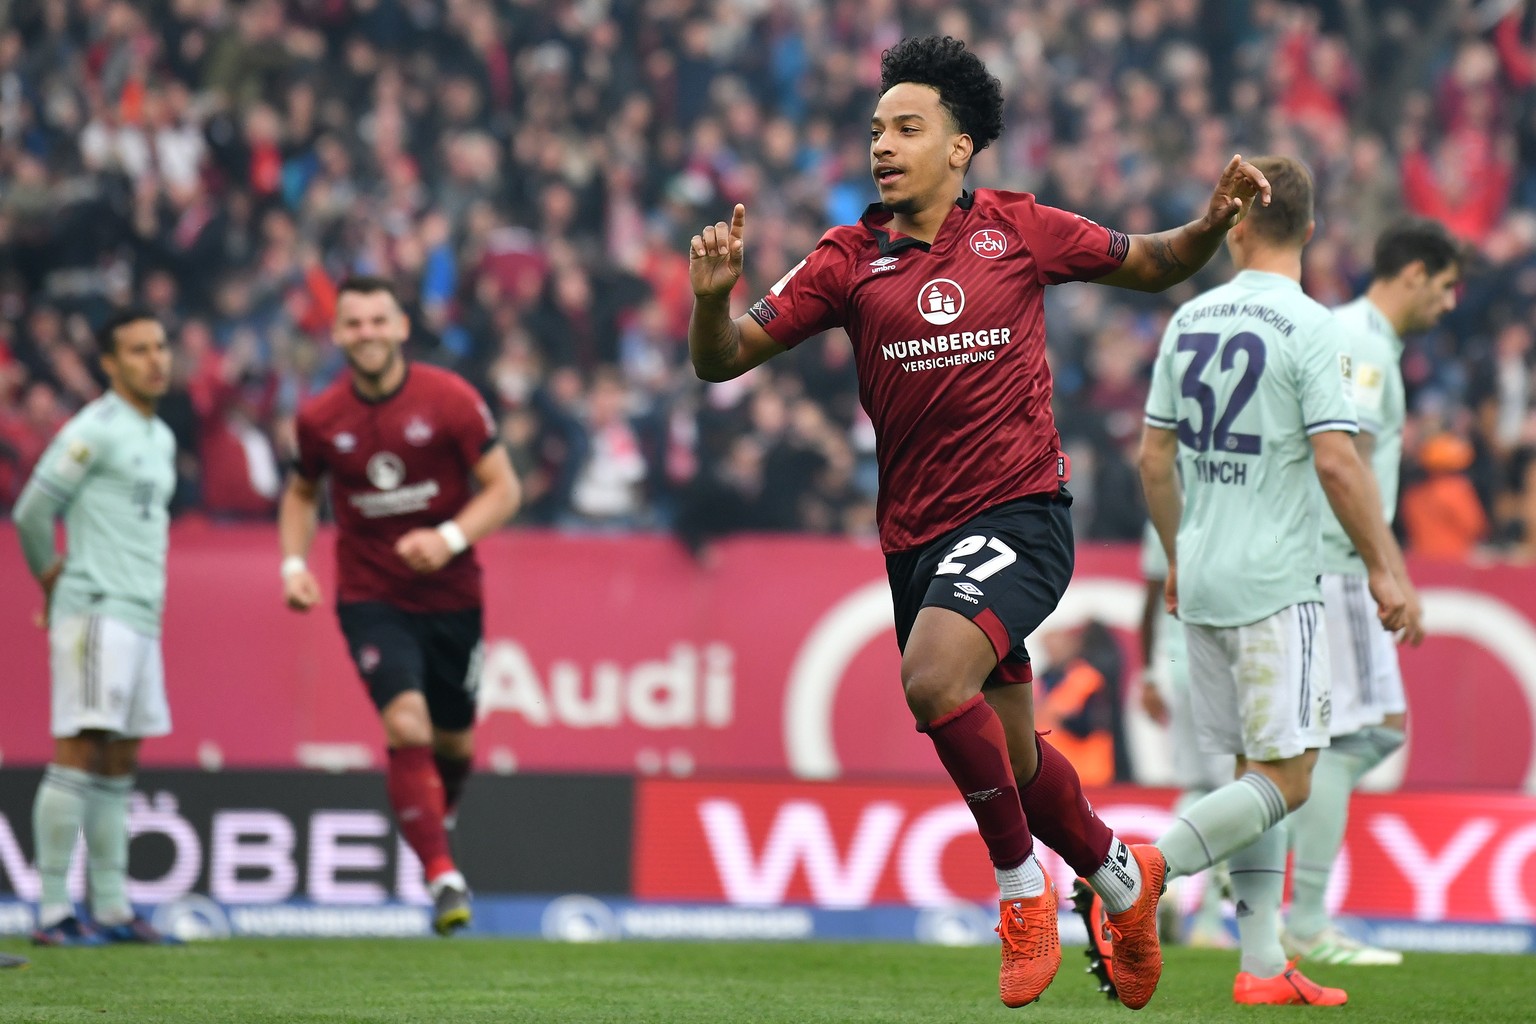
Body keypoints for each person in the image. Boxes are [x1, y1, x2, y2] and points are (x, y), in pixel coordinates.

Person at [687, 34, 1270, 1010]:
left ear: (961, 147)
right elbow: (721, 359)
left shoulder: (1019, 229)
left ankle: (1020, 892)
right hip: (914, 538)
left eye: (908, 128)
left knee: (929, 676)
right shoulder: (844, 259)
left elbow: (1152, 262)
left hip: (1021, 513)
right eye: (876, 130)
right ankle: (1123, 883)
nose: (883, 145)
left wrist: (1210, 223)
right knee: (1018, 755)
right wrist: (710, 303)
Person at [1138, 155, 1416, 1006]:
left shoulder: (1186, 321)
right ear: (1312, 231)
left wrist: (1179, 555)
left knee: (1252, 776)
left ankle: (1259, 964)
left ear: (1236, 226)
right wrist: (1384, 565)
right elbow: (1337, 459)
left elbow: (1154, 457)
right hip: (1277, 581)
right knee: (1290, 776)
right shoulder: (1315, 326)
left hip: (1206, 577)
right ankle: (1138, 874)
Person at [278, 276, 520, 936]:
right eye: (354, 324)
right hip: (370, 597)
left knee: (454, 743)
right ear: (337, 334)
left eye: (378, 321)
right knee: (406, 726)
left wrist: (446, 539)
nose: (367, 334)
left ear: (401, 327)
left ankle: (436, 814)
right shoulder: (320, 418)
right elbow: (302, 494)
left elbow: (504, 490)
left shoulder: (450, 400)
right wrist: (295, 564)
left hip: (453, 595)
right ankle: (444, 876)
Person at [1282, 219, 1461, 966]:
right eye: (1447, 287)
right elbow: (1343, 461)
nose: (1451, 304)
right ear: (1414, 273)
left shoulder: (1363, 338)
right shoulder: (1359, 342)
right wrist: (1386, 567)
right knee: (1358, 734)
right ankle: (1303, 919)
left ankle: (1256, 885)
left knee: (1341, 737)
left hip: (1337, 561)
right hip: (1339, 563)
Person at [12, 309, 182, 946]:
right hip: (96, 604)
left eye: (160, 347)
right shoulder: (96, 428)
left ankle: (110, 906)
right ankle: (53, 909)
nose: (155, 360)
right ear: (110, 364)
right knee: (81, 745)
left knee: (120, 757)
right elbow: (33, 509)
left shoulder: (159, 435)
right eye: (138, 351)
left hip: (141, 610)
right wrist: (52, 578)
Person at [1137, 521, 1233, 949]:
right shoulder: (1238, 497)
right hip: (1227, 666)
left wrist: (1147, 676)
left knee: (1197, 785)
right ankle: (1209, 923)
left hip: (1176, 668)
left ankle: (1166, 887)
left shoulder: (1166, 509)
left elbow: (1147, 605)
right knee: (1239, 794)